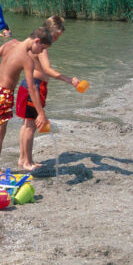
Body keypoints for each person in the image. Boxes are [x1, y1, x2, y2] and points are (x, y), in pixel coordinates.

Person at [0, 27, 52, 178]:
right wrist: (41, 113)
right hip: (3, 93)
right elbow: (32, 89)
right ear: (37, 41)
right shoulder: (27, 59)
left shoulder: (11, 43)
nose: (40, 52)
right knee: (0, 131)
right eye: (42, 48)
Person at [16, 16, 79, 171]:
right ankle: (28, 162)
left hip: (26, 85)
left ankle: (23, 159)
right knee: (30, 125)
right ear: (48, 31)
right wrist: (68, 80)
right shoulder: (41, 47)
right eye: (55, 35)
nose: (56, 39)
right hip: (35, 86)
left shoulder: (32, 41)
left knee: (26, 124)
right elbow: (47, 69)